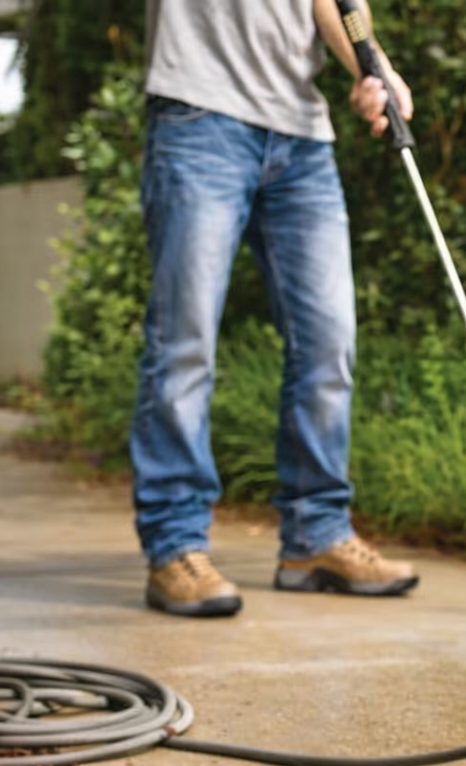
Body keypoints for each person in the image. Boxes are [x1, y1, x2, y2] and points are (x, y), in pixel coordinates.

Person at [135, 0, 418, 617]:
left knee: (328, 341)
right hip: (197, 115)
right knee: (184, 344)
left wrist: (376, 71)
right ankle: (175, 546)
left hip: (302, 135)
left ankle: (316, 536)